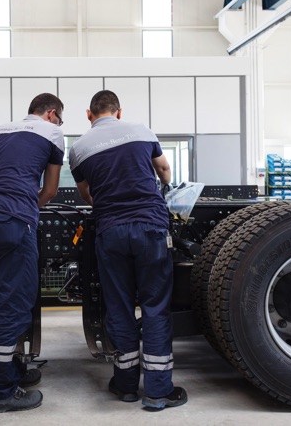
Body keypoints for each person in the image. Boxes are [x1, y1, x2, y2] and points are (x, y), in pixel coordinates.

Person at [68, 89, 187, 410]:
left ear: (89, 114)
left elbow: (86, 195)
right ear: (118, 112)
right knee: (155, 306)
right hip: (150, 227)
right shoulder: (141, 131)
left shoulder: (78, 148)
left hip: (110, 231)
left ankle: (125, 386)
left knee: (118, 307)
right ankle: (158, 391)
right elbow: (164, 171)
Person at [0, 93, 65, 414]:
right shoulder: (52, 132)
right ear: (51, 113)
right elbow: (50, 190)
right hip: (14, 219)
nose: (60, 124)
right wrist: (25, 207)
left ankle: (11, 369)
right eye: (60, 118)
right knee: (15, 301)